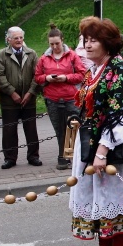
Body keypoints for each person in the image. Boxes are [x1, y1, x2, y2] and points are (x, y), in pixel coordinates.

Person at [68, 16, 123, 246]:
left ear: (107, 43)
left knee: (114, 200)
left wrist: (102, 152)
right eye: (85, 40)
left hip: (112, 148)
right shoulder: (94, 70)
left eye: (93, 40)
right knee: (96, 200)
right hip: (91, 145)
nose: (87, 45)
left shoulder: (119, 69)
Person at [35, 26, 85, 170]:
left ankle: (72, 156)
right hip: (53, 98)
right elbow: (37, 77)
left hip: (70, 97)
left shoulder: (72, 56)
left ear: (62, 41)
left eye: (57, 43)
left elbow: (81, 74)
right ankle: (62, 156)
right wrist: (47, 78)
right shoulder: (44, 59)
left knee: (73, 127)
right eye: (51, 44)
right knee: (59, 129)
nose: (55, 46)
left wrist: (66, 78)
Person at [0, 26, 42, 169]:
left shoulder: (32, 53)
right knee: (9, 130)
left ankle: (33, 156)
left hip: (29, 99)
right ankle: (10, 158)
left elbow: (37, 75)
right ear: (8, 39)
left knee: (31, 129)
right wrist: (12, 92)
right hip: (9, 101)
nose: (19, 40)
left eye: (21, 37)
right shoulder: (1, 55)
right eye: (16, 38)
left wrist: (30, 92)